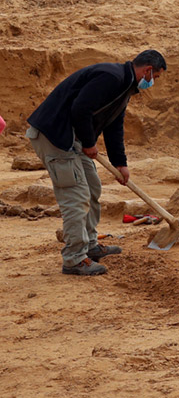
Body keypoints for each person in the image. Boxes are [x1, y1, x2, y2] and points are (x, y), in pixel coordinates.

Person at [26, 49, 166, 276]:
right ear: (148, 71)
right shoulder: (111, 77)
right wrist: (90, 143)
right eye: (155, 78)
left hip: (74, 138)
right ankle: (74, 258)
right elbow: (80, 108)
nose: (153, 83)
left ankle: (90, 245)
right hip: (56, 136)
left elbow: (114, 126)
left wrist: (120, 163)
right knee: (76, 196)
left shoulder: (124, 87)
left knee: (92, 188)